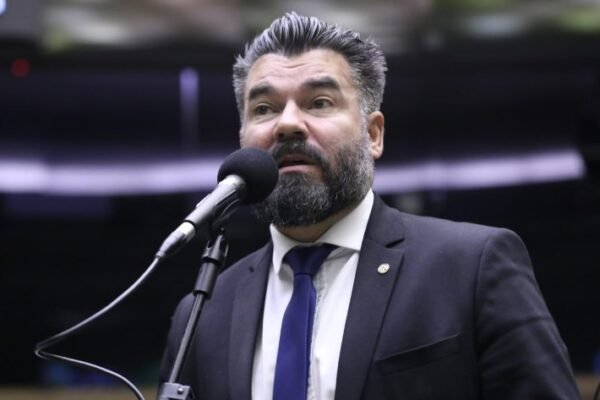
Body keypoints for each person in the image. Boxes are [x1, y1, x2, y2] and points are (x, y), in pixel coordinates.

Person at [160, 12, 581, 400]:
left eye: (319, 102)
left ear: (373, 134)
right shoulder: (202, 313)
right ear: (243, 139)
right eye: (264, 108)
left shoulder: (472, 268)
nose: (287, 123)